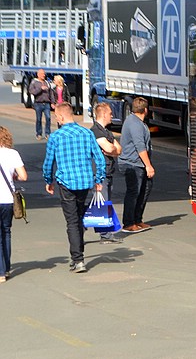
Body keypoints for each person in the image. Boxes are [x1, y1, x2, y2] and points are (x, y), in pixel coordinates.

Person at [42, 103, 106, 273]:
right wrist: (99, 178)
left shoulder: (56, 137)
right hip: (85, 182)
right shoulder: (87, 133)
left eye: (56, 116)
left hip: (67, 183)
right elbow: (99, 158)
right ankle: (78, 256)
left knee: (72, 220)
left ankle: (78, 259)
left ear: (61, 117)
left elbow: (49, 162)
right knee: (78, 216)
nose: (56, 119)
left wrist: (48, 180)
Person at [119, 97, 155, 233]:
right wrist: (148, 165)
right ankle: (128, 223)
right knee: (134, 192)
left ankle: (137, 219)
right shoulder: (134, 124)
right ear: (146, 110)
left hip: (138, 163)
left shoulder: (138, 122)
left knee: (145, 189)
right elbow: (140, 146)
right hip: (132, 163)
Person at [91, 102, 123, 243]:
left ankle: (106, 233)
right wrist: (112, 150)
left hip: (108, 171)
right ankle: (105, 235)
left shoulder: (106, 132)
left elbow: (118, 149)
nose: (112, 116)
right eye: (110, 113)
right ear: (103, 114)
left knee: (105, 202)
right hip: (100, 173)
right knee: (102, 203)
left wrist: (112, 150)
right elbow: (110, 149)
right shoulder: (96, 131)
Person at [0, 126, 28, 283]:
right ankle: (7, 267)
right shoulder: (13, 154)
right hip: (8, 200)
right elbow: (23, 176)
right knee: (6, 232)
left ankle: (1, 272)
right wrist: (13, 177)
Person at [28, 68, 53, 140]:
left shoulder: (47, 82)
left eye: (44, 74)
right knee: (39, 119)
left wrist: (52, 102)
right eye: (42, 74)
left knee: (48, 118)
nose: (43, 75)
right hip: (38, 103)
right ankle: (39, 133)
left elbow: (51, 93)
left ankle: (47, 133)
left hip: (47, 103)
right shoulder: (34, 82)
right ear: (38, 75)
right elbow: (32, 91)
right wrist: (40, 89)